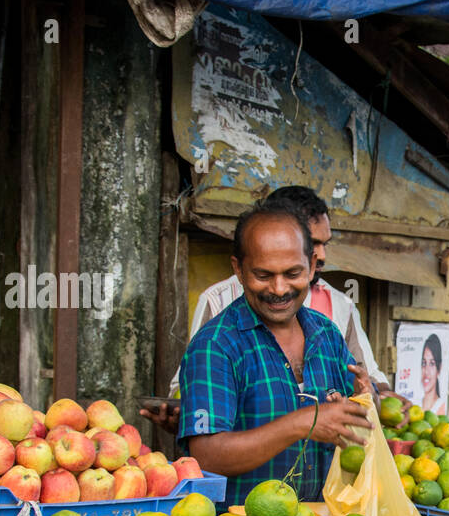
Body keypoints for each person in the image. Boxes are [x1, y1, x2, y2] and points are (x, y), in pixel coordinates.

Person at [145, 186, 399, 433]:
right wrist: (190, 418)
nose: (321, 254)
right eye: (313, 242)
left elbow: (365, 380)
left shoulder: (334, 316)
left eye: (325, 244)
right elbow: (190, 395)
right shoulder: (219, 312)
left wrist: (374, 398)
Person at [176, 200, 373, 506]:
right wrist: (301, 423)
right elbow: (207, 455)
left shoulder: (327, 335)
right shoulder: (215, 346)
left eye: (292, 273)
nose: (279, 289)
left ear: (310, 266)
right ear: (238, 270)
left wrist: (364, 401)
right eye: (263, 275)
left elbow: (351, 421)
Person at [420, 334, 446, 415]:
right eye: (424, 363)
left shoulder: (441, 407)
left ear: (439, 368)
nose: (426, 372)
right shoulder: (415, 404)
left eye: (432, 363)